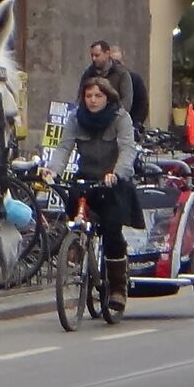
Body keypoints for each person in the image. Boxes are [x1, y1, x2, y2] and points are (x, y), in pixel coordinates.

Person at [46, 72, 142, 316]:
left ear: (107, 97)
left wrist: (117, 173)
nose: (92, 100)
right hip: (86, 177)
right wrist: (52, 170)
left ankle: (118, 288)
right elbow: (64, 147)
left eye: (98, 95)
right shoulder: (76, 118)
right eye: (88, 95)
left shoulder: (121, 118)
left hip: (112, 181)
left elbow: (127, 149)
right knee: (73, 210)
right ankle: (78, 250)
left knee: (112, 231)